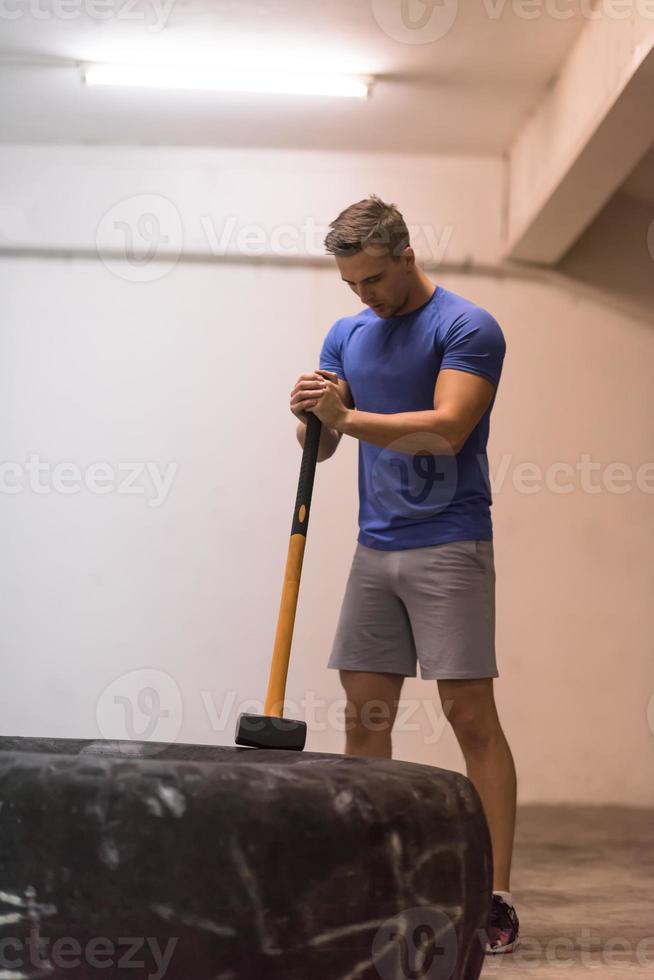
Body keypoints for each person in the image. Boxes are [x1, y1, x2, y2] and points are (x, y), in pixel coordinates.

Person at [290, 195, 519, 955]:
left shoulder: (466, 326)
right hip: (374, 546)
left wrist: (346, 419)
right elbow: (321, 450)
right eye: (353, 283)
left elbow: (447, 430)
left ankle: (492, 898)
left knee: (468, 715)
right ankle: (376, 883)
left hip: (451, 542)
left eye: (376, 279)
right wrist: (312, 415)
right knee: (366, 716)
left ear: (408, 256)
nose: (366, 296)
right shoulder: (348, 333)